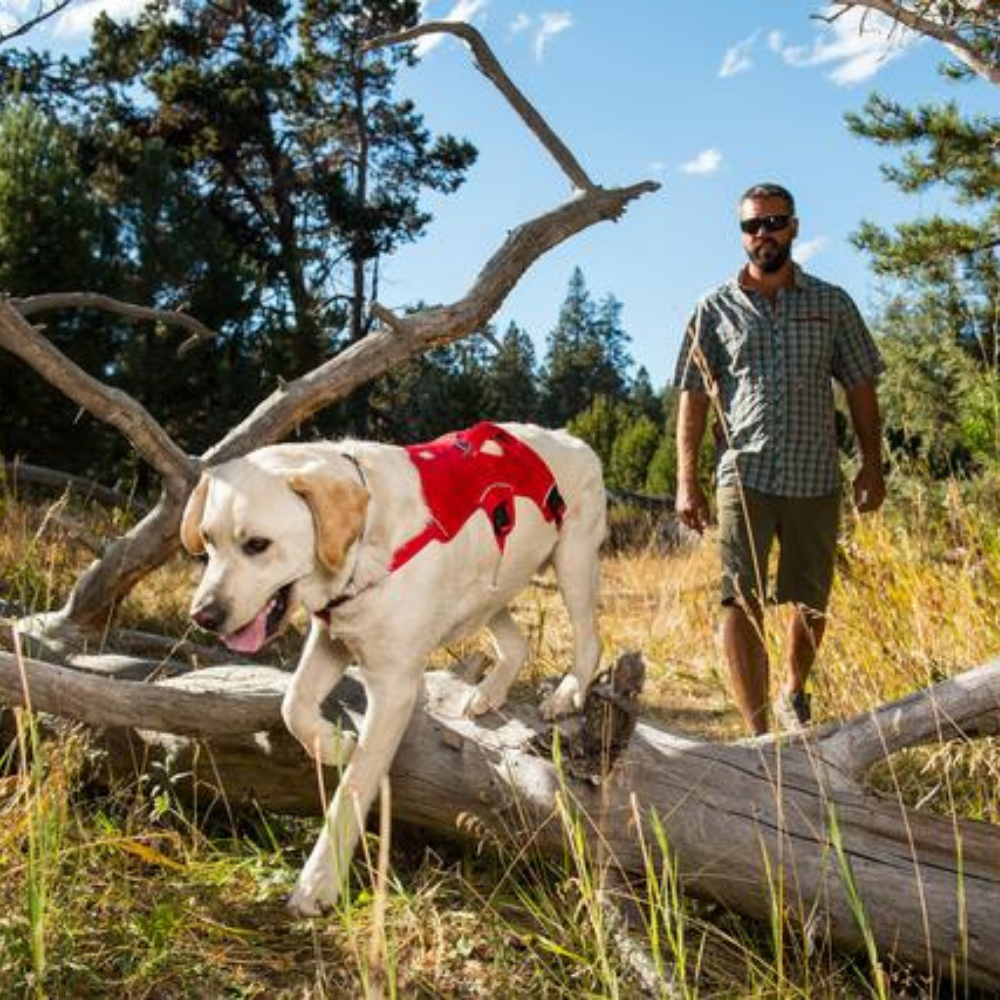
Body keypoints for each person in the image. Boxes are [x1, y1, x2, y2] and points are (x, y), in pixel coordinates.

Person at [673, 182, 885, 735]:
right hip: (745, 474)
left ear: (794, 227)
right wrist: (686, 481)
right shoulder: (713, 308)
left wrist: (872, 463)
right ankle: (759, 732)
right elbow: (693, 397)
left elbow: (861, 385)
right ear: (742, 236)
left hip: (816, 474)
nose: (762, 234)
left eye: (774, 222)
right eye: (752, 226)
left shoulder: (831, 303)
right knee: (737, 597)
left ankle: (794, 692)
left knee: (810, 599)